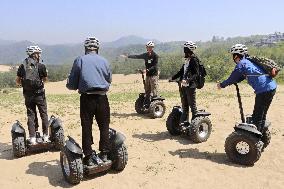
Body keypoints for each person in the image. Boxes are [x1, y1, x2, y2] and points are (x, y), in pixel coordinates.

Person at [66, 36, 112, 166]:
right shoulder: (104, 61)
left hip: (87, 98)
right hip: (102, 97)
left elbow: (72, 85)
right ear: (97, 48)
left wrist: (70, 84)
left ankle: (89, 155)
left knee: (87, 126)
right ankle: (104, 153)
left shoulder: (80, 60)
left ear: (85, 48)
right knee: (104, 126)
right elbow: (109, 80)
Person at [217, 44, 277, 133]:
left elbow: (233, 77)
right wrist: (236, 81)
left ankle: (255, 139)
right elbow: (242, 76)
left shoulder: (242, 63)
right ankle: (261, 134)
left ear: (236, 55)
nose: (233, 58)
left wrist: (221, 85)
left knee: (257, 116)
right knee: (261, 114)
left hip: (264, 90)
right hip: (271, 87)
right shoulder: (248, 61)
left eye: (233, 55)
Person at [16, 45, 49, 144]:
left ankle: (32, 137)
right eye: (39, 54)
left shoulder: (23, 65)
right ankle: (46, 136)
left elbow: (17, 81)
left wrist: (24, 84)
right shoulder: (41, 66)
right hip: (39, 95)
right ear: (35, 54)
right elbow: (45, 80)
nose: (39, 55)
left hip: (28, 95)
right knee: (43, 114)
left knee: (31, 115)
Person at [121, 41, 159, 108]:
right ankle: (147, 103)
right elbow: (137, 56)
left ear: (152, 48)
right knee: (147, 90)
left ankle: (156, 105)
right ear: (146, 47)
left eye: (150, 47)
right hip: (148, 75)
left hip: (153, 75)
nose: (149, 48)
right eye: (148, 47)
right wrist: (128, 56)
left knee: (154, 89)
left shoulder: (155, 55)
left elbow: (155, 66)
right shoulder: (145, 55)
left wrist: (147, 70)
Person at [171, 41, 199, 125]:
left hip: (191, 86)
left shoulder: (194, 59)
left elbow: (196, 74)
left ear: (188, 50)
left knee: (192, 106)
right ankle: (184, 123)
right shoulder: (187, 59)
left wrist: (188, 80)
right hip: (184, 85)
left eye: (185, 49)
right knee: (185, 105)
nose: (184, 51)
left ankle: (195, 124)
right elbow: (181, 71)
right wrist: (172, 78)